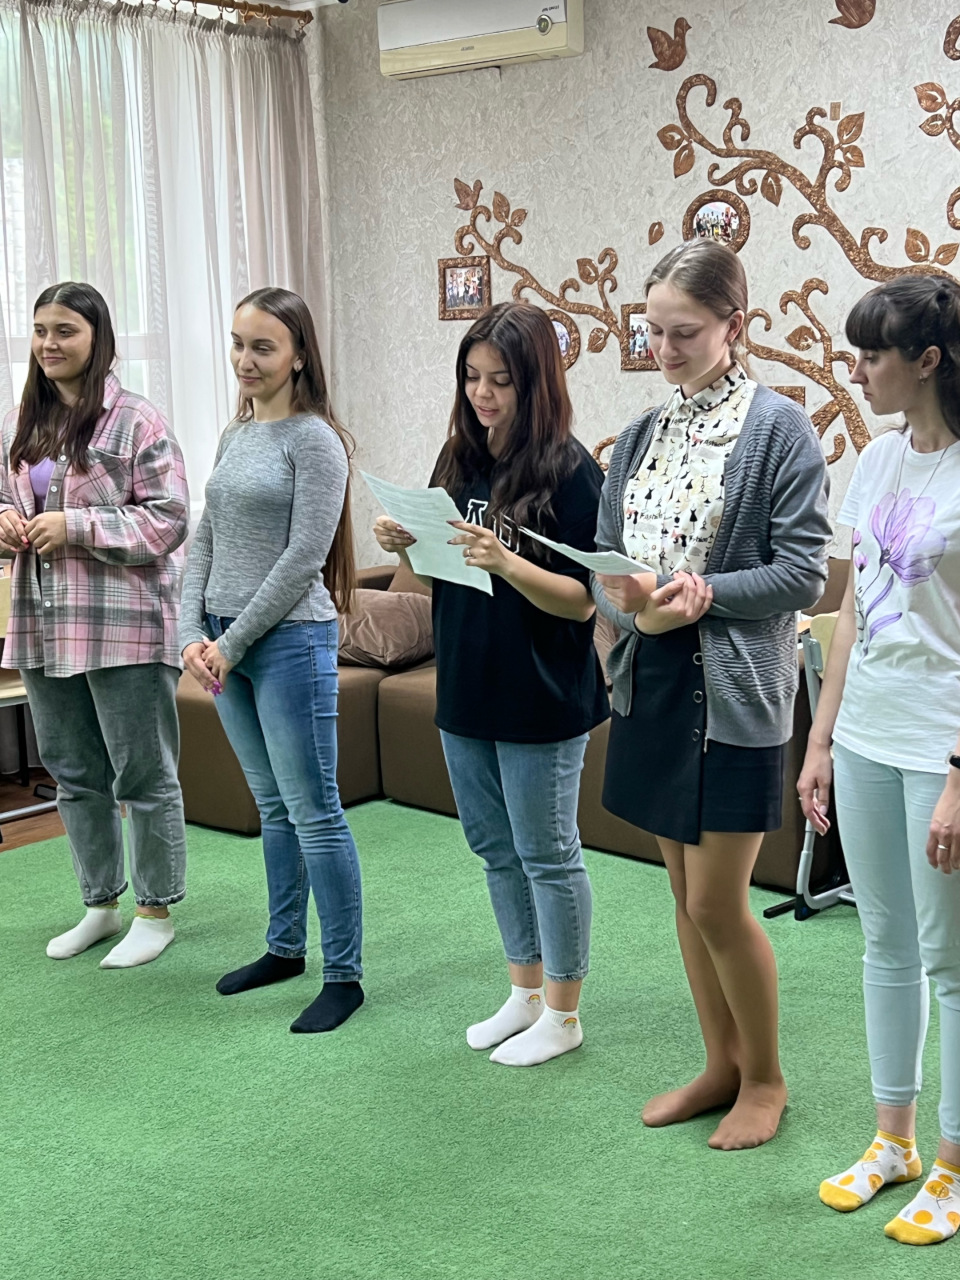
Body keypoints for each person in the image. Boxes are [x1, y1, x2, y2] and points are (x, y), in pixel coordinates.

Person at [592, 239, 831, 1149]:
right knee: (682, 895)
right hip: (649, 683)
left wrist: (702, 594)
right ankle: (720, 1065)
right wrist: (624, 600)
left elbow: (803, 574)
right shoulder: (641, 436)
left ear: (736, 325)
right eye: (652, 331)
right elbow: (607, 562)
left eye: (683, 332)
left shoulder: (779, 429)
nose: (663, 349)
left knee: (715, 904)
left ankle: (766, 1079)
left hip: (733, 692)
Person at [373, 301, 609, 1066]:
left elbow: (584, 601)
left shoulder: (572, 471)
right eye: (472, 377)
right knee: (493, 847)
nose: (482, 394)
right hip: (466, 684)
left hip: (542, 691)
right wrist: (402, 542)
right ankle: (525, 992)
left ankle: (564, 1014)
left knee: (547, 853)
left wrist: (508, 562)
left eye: (500, 380)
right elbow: (428, 576)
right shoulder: (458, 459)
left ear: (535, 383)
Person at [799, 275, 960, 1245]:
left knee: (951, 962)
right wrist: (821, 740)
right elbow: (852, 613)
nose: (856, 371)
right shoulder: (877, 459)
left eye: (872, 355)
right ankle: (892, 1141)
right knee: (885, 946)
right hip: (863, 734)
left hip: (941, 744)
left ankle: (953, 1162)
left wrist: (959, 775)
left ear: (927, 360)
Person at [179, 287, 364, 1035]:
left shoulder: (315, 441)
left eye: (263, 347)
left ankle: (344, 975)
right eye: (238, 343)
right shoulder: (235, 433)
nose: (245, 360)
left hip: (288, 641)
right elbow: (207, 536)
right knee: (274, 806)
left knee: (316, 812)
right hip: (223, 641)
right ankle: (285, 948)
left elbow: (303, 559)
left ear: (298, 356)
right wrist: (189, 632)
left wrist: (230, 644)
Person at [0, 281, 189, 967]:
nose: (49, 344)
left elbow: (170, 521)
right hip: (44, 624)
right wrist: (7, 521)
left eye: (65, 331)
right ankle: (100, 905)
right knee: (73, 772)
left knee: (143, 775)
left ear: (97, 337)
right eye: (40, 330)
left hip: (124, 627)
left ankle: (155, 911)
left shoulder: (137, 421)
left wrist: (75, 526)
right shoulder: (22, 420)